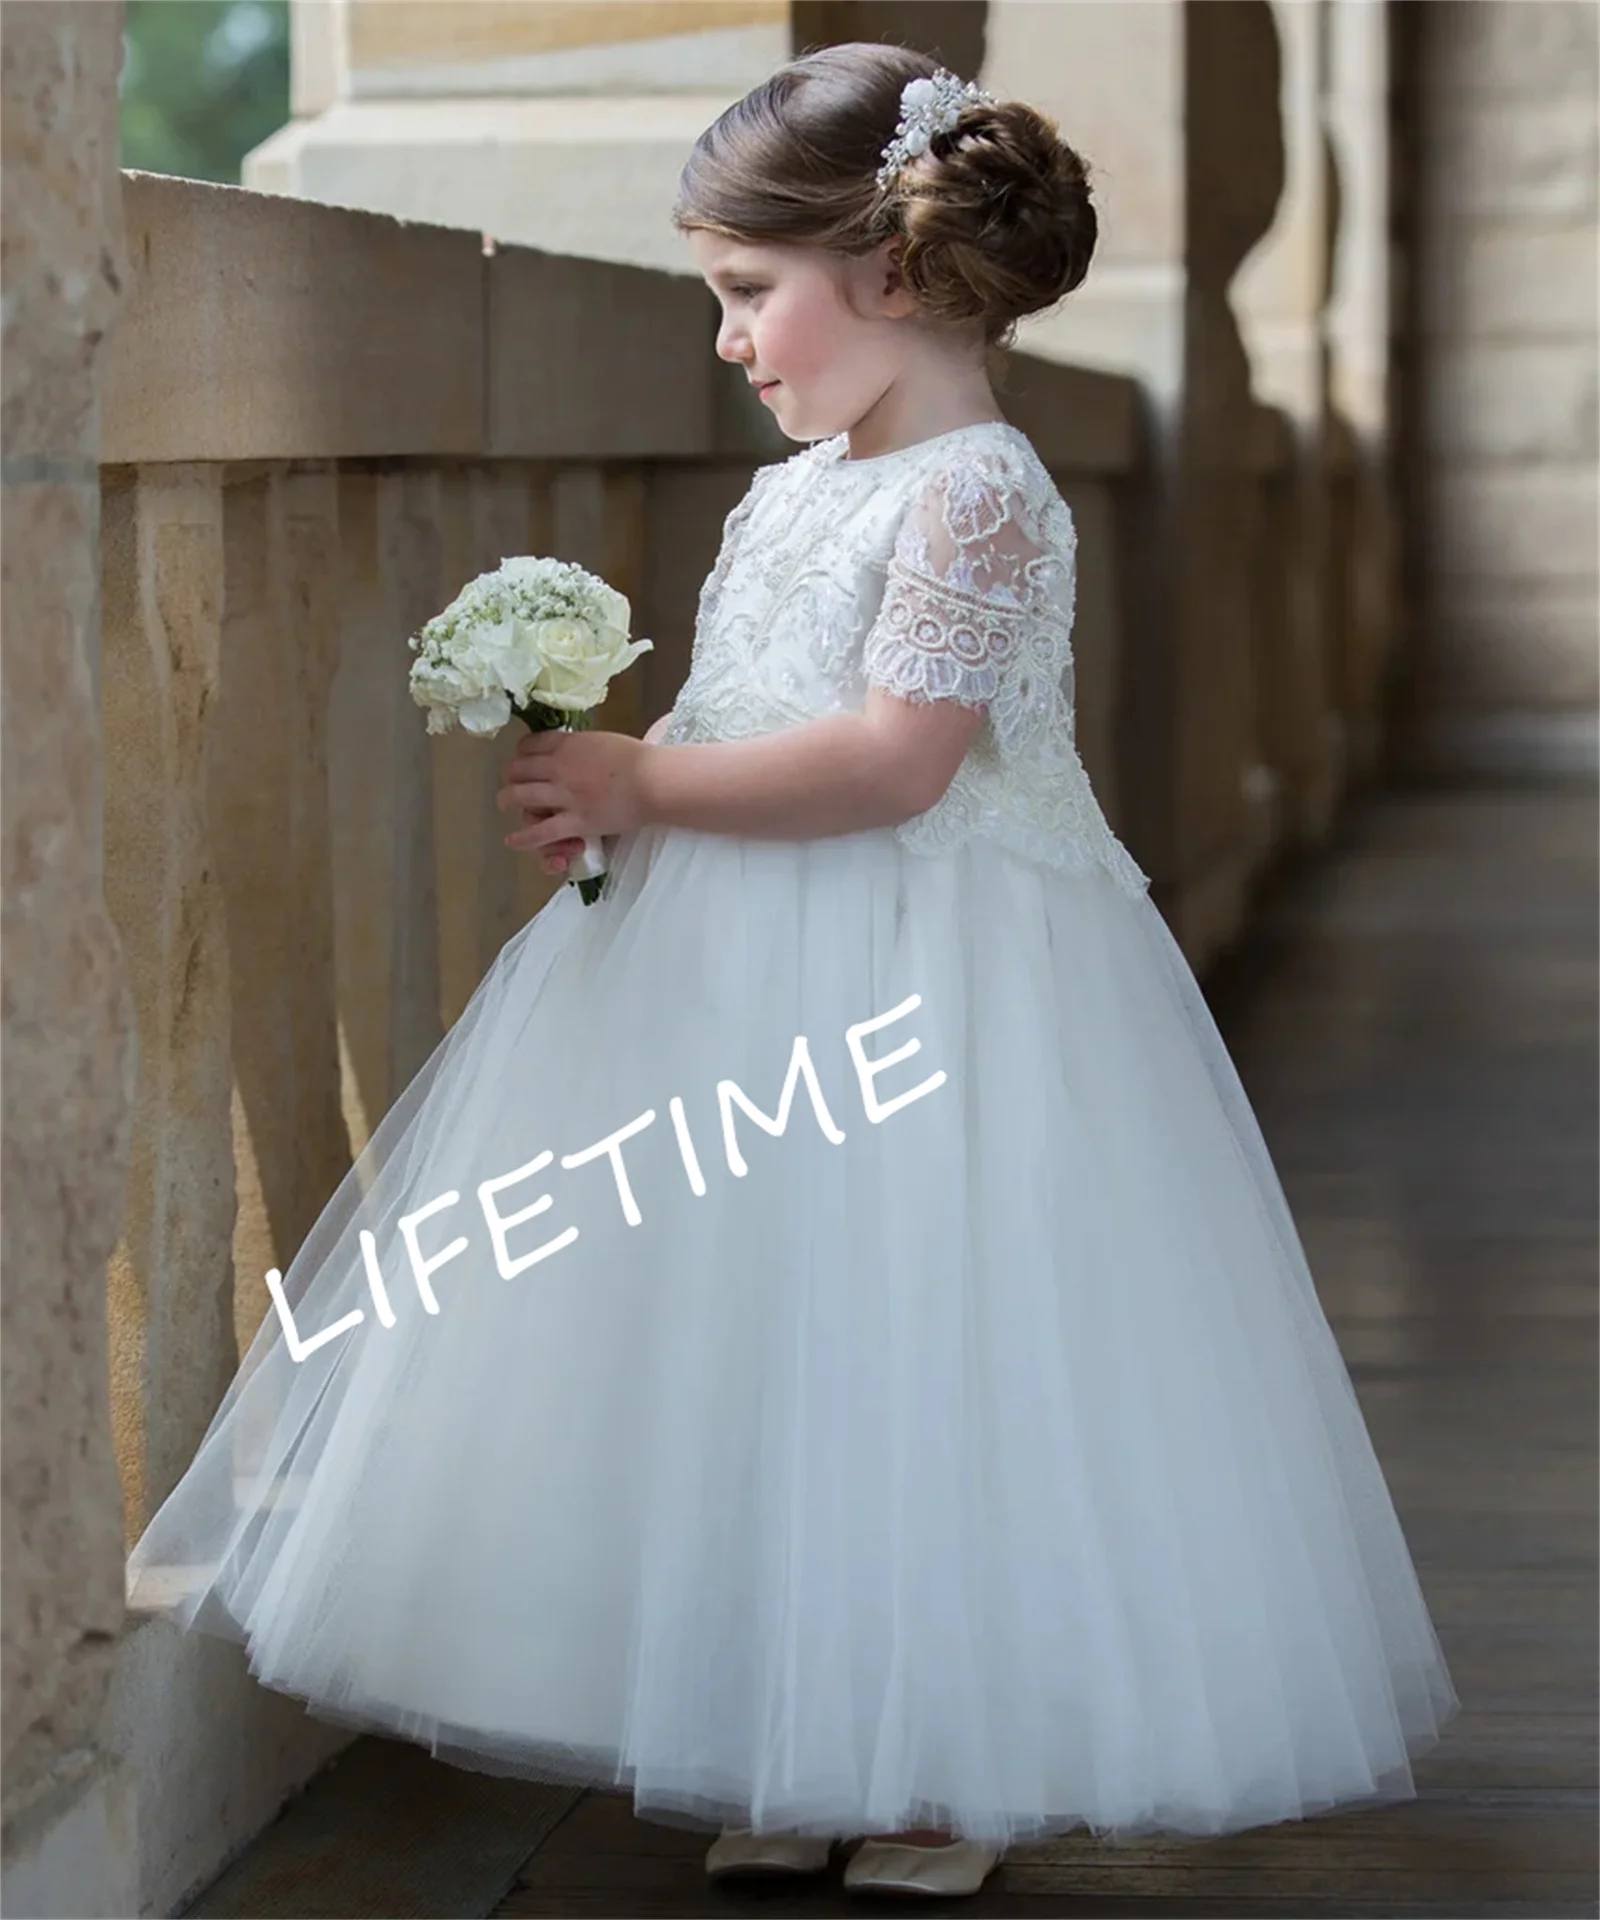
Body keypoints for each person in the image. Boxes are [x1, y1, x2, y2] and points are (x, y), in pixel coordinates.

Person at [126, 42, 1459, 1904]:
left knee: (920, 1341)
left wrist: (646, 776)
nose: (733, 342)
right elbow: (754, 703)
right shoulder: (803, 488)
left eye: (752, 295)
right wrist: (631, 796)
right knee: (751, 1347)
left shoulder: (976, 492)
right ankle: (795, 1723)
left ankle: (931, 1754)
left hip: (935, 978)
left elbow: (899, 759)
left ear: (895, 273)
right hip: (742, 959)